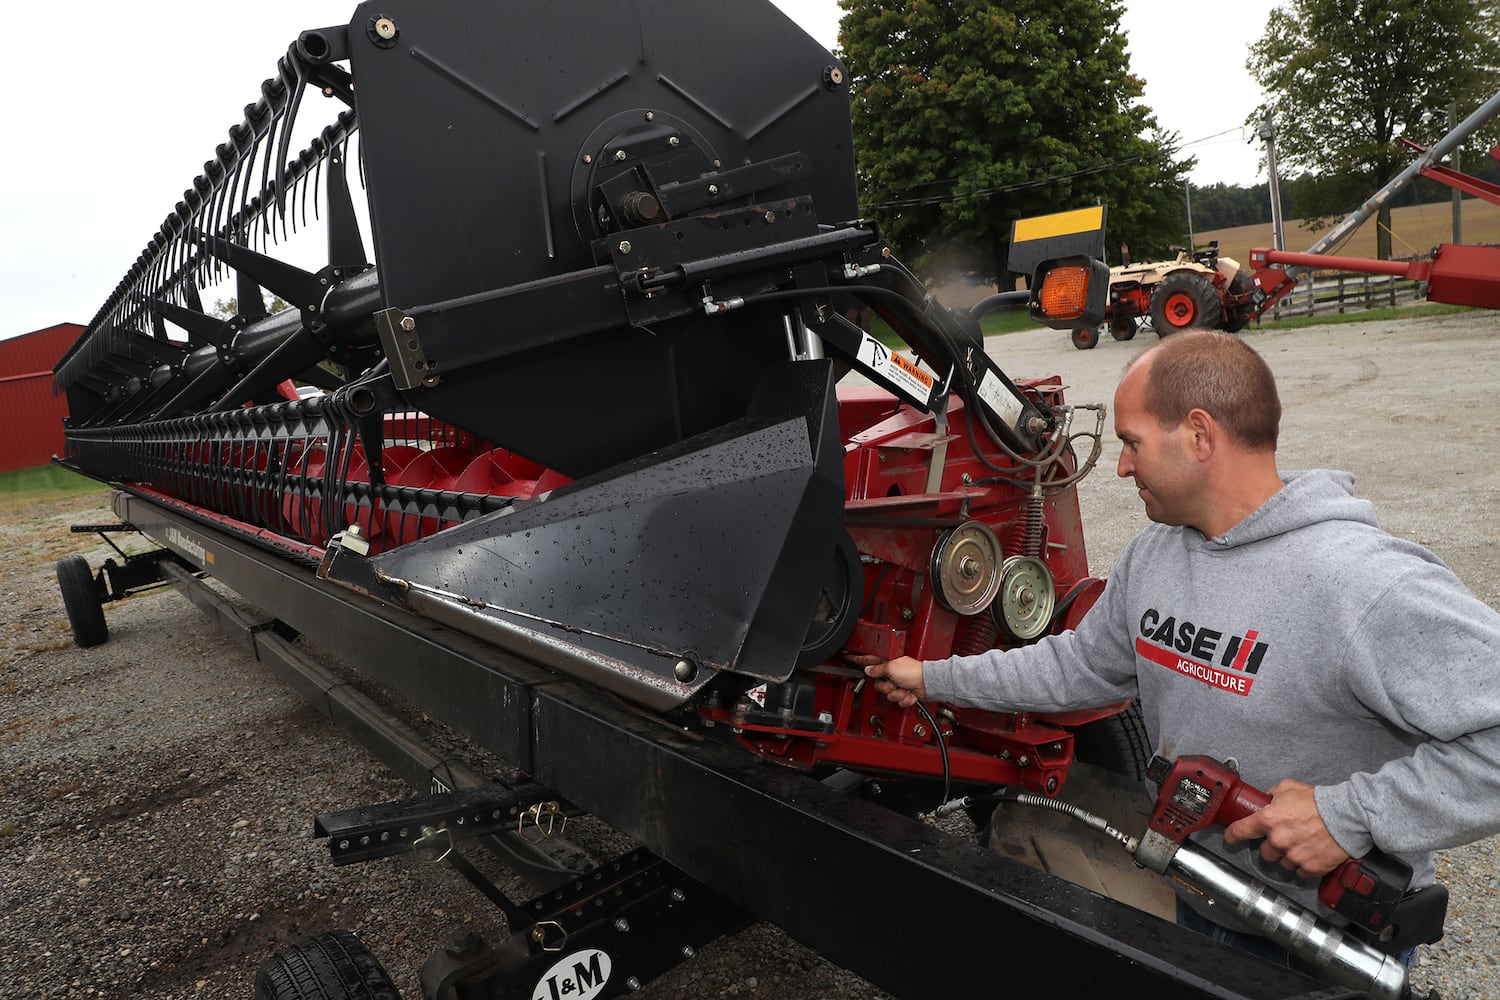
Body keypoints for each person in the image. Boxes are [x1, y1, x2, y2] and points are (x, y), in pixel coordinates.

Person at [854, 331, 1500, 976]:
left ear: (1199, 435)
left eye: (1132, 443)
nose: (1120, 467)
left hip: (1333, 947)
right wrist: (933, 677)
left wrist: (1348, 815)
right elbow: (1075, 668)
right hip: (1205, 904)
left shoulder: (1363, 584)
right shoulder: (1155, 557)